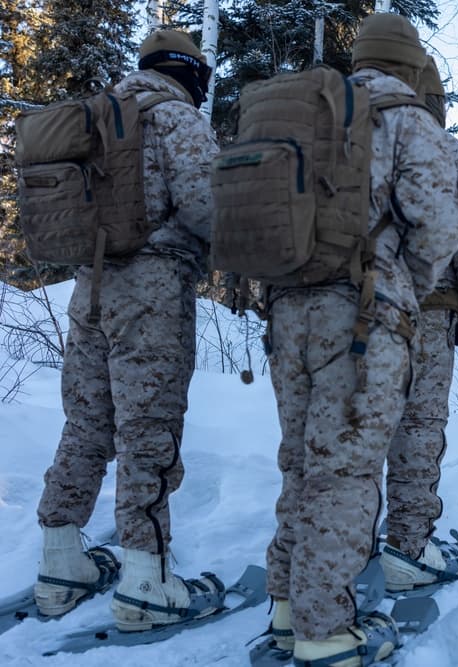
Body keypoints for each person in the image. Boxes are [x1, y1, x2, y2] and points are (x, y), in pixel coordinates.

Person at [261, 15, 458, 666]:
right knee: (344, 472)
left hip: (286, 311)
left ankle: (287, 608)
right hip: (361, 317)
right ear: (410, 64)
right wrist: (405, 285)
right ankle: (325, 636)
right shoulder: (407, 118)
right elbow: (439, 226)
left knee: (301, 462)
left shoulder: (316, 113)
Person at [33, 30, 225, 630]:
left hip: (89, 287)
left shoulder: (98, 116)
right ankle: (147, 581)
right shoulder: (175, 117)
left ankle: (60, 563)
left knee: (86, 424)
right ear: (191, 73)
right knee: (148, 430)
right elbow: (207, 206)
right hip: (152, 288)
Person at [380, 56, 458, 591]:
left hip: (348, 310)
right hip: (426, 311)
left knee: (355, 425)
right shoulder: (446, 150)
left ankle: (341, 539)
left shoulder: (345, 134)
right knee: (419, 425)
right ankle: (407, 547)